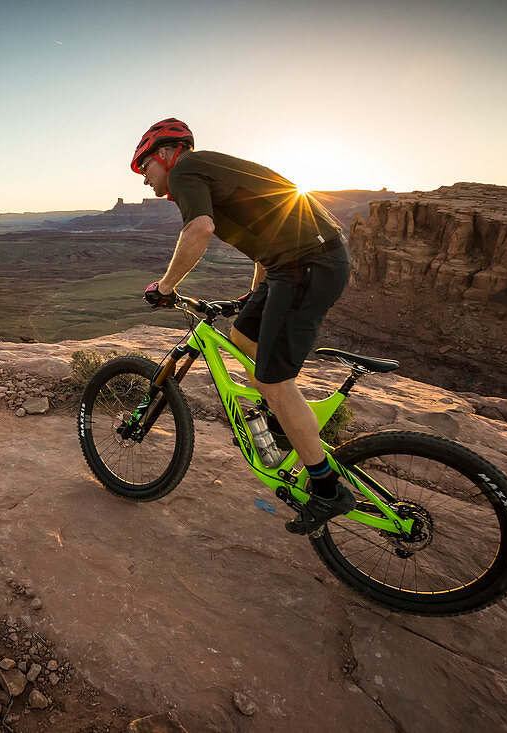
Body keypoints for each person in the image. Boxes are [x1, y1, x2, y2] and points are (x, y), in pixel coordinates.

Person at [133, 118, 354, 536]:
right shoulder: (218, 168)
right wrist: (254, 295)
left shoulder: (184, 171)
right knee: (243, 337)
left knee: (273, 381)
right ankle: (282, 423)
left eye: (144, 166)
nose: (145, 179)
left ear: (164, 154)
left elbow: (199, 228)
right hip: (293, 263)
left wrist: (166, 287)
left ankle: (326, 489)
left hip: (307, 265)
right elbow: (268, 225)